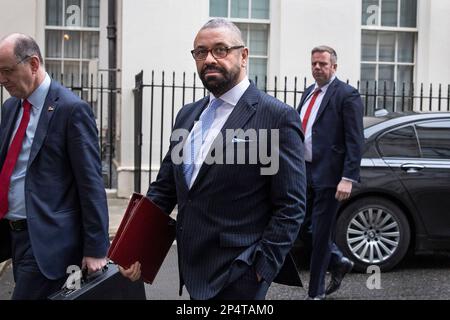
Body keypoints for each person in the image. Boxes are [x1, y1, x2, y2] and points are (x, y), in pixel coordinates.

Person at [120, 18, 306, 300]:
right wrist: (135, 248)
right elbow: (165, 188)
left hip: (240, 274)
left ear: (243, 56)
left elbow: (291, 205)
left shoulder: (276, 117)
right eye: (200, 52)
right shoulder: (188, 115)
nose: (209, 59)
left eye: (220, 49)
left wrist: (261, 269)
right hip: (193, 269)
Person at [0, 34, 109, 299]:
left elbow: (90, 183)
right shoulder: (10, 107)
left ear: (34, 64)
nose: (2, 80)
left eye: (7, 71)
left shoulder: (72, 110)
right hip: (13, 235)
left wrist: (96, 248)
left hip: (47, 240)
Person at [296, 46, 364, 299]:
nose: (317, 68)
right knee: (301, 226)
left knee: (322, 233)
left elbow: (355, 140)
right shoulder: (307, 92)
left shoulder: (347, 95)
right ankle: (338, 260)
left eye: (323, 64)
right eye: (314, 63)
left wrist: (347, 178)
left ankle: (316, 293)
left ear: (334, 67)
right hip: (304, 172)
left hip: (329, 176)